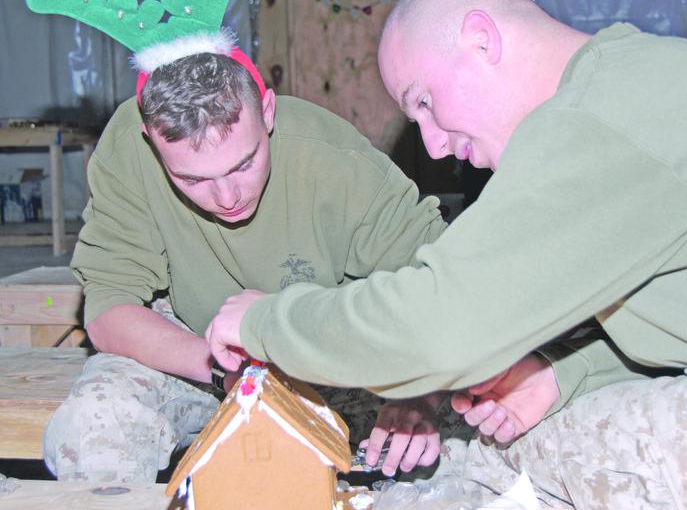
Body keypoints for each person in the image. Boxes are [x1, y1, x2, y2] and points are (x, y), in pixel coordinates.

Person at [207, 0, 687, 510]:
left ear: (480, 39)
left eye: (423, 100)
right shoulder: (638, 85)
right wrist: (563, 373)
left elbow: (436, 327)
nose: (430, 142)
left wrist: (266, 320)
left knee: (476, 465)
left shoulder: (598, 122)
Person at [43, 50, 452, 482]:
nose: (226, 197)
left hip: (338, 355)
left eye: (244, 164)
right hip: (201, 352)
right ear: (149, 138)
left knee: (494, 440)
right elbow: (108, 312)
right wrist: (226, 368)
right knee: (94, 424)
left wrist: (419, 396)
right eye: (192, 180)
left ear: (269, 112)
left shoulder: (335, 160)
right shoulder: (130, 149)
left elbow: (448, 289)